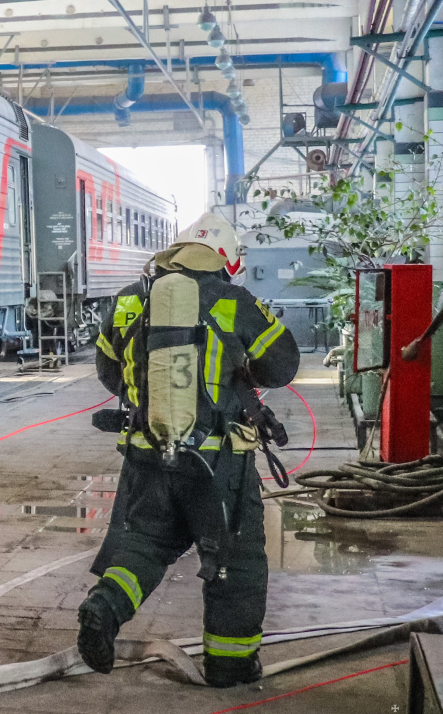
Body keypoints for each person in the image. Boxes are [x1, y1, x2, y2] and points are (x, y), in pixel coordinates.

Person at [74, 210, 300, 688]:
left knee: (145, 544)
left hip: (147, 457)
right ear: (224, 261)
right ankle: (230, 665)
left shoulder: (127, 302)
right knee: (234, 563)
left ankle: (104, 606)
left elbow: (109, 373)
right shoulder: (233, 301)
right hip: (220, 464)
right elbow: (282, 366)